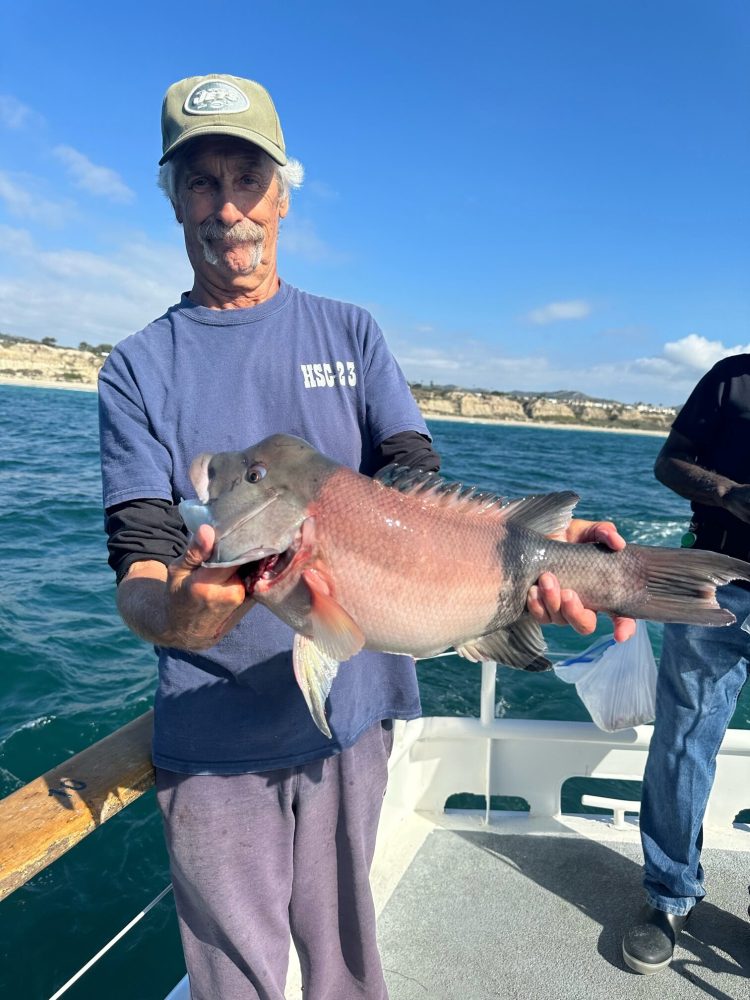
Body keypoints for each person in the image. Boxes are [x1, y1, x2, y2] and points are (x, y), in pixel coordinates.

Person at [98, 73, 633, 1000]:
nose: (228, 208)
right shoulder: (136, 369)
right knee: (235, 983)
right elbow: (139, 563)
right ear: (172, 198)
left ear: (284, 192)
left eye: (247, 178)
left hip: (355, 719)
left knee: (349, 965)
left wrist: (533, 552)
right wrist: (179, 613)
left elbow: (413, 482)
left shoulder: (351, 330)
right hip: (214, 735)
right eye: (200, 182)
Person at [622, 354, 750, 976]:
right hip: (712, 584)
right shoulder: (730, 378)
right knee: (682, 743)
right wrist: (729, 494)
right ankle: (669, 894)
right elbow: (668, 461)